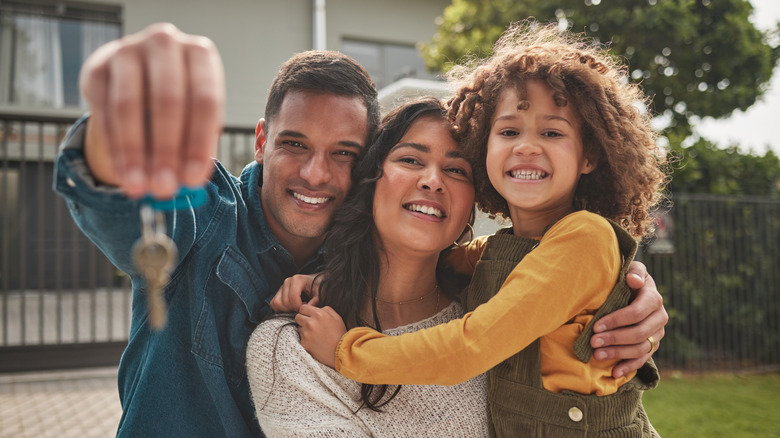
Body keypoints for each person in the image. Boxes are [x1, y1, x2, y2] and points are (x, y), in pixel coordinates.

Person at [53, 22, 664, 437]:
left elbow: (512, 293)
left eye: (344, 153)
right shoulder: (220, 231)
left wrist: (631, 293)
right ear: (262, 141)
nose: (317, 172)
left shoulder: (481, 298)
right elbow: (132, 209)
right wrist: (118, 132)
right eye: (294, 144)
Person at [294, 22, 666, 436]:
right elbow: (426, 262)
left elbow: (472, 346)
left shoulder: (586, 237)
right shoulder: (503, 249)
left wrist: (347, 352)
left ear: (590, 156)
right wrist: (329, 279)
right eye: (508, 131)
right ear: (483, 148)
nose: (526, 146)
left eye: (552, 132)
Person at [247, 98, 490, 436]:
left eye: (456, 170)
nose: (433, 181)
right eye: (410, 160)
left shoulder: (496, 318)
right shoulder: (288, 349)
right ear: (369, 181)